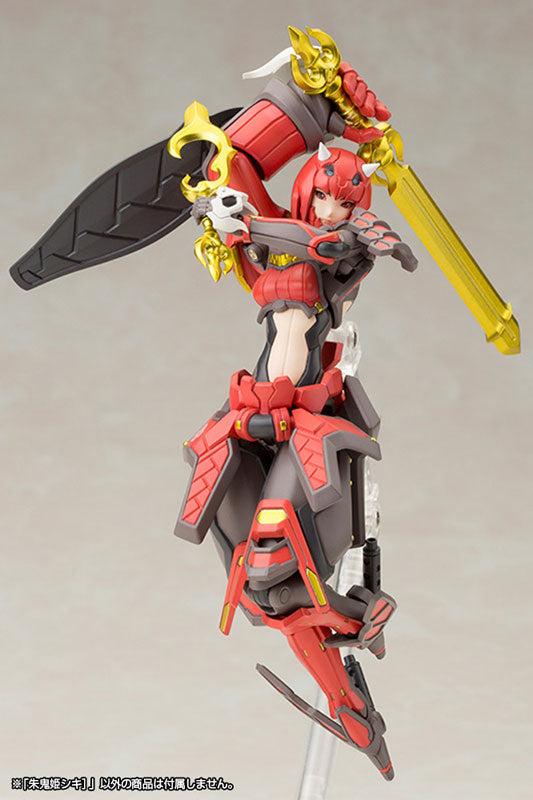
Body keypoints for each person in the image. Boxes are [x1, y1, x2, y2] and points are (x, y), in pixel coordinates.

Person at [175, 142, 417, 780]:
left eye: (345, 202)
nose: (332, 209)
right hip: (251, 410)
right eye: (324, 196)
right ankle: (350, 685)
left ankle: (354, 643)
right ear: (307, 188)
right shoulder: (274, 255)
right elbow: (255, 234)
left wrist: (242, 219)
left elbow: (322, 242)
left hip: (307, 418)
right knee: (262, 592)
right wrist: (222, 209)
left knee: (275, 557)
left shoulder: (342, 252)